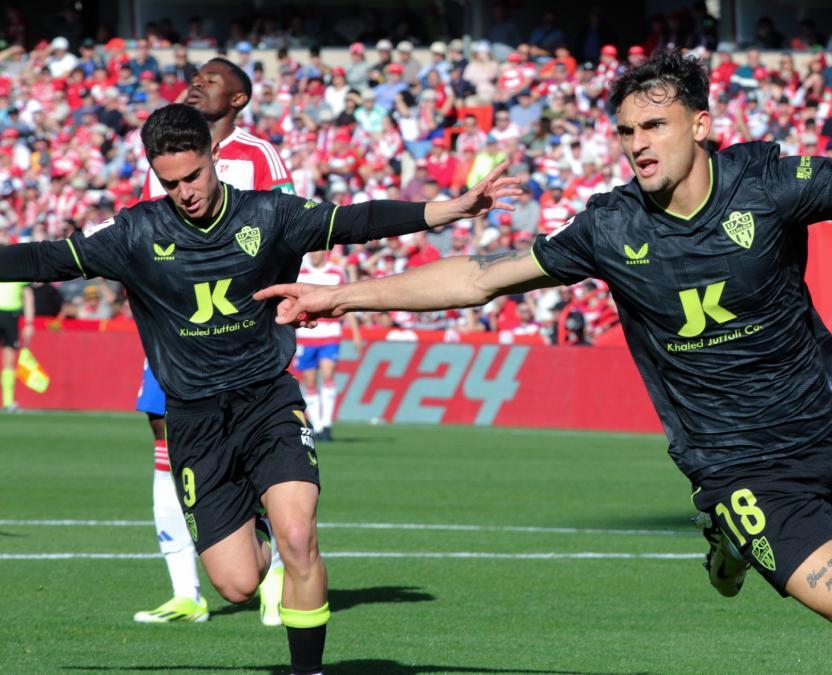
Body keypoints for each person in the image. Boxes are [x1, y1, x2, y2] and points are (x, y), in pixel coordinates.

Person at [258, 52, 832, 674]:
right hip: (737, 462)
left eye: (655, 125)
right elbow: (484, 276)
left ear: (701, 125)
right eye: (625, 131)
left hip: (825, 438)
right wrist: (343, 296)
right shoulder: (610, 224)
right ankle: (729, 519)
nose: (637, 143)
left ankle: (728, 545)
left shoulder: (767, 183)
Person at [0, 104, 519, 675]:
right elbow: (46, 259)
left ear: (214, 159)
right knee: (238, 585)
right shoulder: (134, 232)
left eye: (192, 177)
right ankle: (258, 517)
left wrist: (450, 208)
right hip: (195, 421)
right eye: (170, 183)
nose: (184, 192)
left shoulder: (269, 214)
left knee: (300, 538)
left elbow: (356, 221)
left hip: (267, 399)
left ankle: (307, 670)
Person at [135, 57, 297, 627]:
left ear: (238, 100)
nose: (198, 81)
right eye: (196, 75)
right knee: (163, 430)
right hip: (176, 327)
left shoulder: (259, 156)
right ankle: (186, 590)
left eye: (213, 79)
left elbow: (289, 228)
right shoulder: (162, 150)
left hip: (241, 331)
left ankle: (276, 565)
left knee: (257, 442)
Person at [294, 250, 361, 442]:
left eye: (316, 251)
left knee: (328, 375)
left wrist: (356, 334)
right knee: (310, 381)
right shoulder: (301, 273)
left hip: (330, 334)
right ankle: (318, 424)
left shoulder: (336, 272)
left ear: (325, 252)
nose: (313, 255)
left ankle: (327, 424)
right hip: (306, 335)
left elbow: (347, 304)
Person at [0, 270, 34, 412]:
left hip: (10, 315)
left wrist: (29, 323)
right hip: (9, 316)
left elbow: (27, 296)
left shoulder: (15, 263)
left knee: (9, 360)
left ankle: (8, 402)